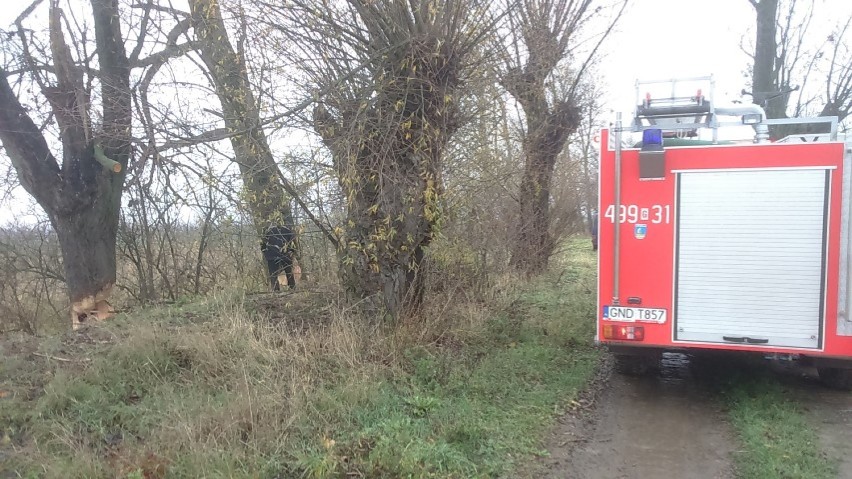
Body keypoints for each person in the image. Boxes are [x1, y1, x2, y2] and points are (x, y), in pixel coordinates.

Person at [261, 225, 296, 291]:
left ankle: (276, 290)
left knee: (273, 274)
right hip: (283, 254)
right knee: (288, 271)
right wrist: (292, 251)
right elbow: (293, 243)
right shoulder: (287, 230)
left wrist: (266, 253)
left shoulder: (268, 231)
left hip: (273, 255)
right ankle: (292, 288)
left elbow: (263, 245)